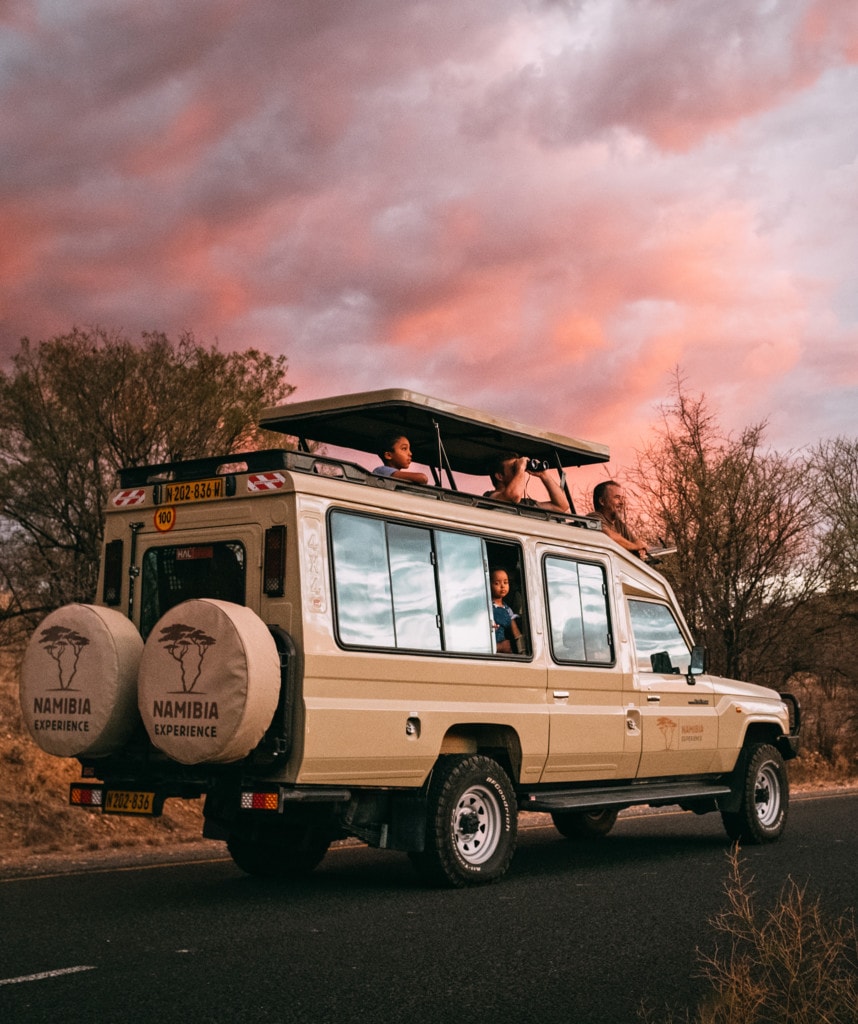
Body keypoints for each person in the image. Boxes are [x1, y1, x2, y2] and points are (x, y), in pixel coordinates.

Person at [484, 453, 570, 513]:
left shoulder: (527, 504)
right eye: (514, 468)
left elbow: (561, 506)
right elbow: (513, 496)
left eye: (518, 467)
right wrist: (520, 469)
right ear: (500, 476)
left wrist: (544, 475)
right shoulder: (490, 497)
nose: (520, 471)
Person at [589, 480, 648, 559]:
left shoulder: (618, 523)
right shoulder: (593, 518)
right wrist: (634, 546)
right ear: (602, 501)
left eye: (622, 498)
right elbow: (608, 536)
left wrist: (641, 549)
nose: (622, 502)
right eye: (617, 497)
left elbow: (637, 542)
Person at [490, 568, 524, 654]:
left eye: (505, 582)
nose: (502, 586)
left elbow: (516, 633)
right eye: (497, 583)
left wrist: (522, 650)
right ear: (489, 585)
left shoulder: (507, 609)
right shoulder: (487, 607)